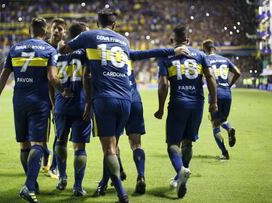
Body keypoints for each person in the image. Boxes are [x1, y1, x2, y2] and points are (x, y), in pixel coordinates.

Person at [0, 17, 71, 203]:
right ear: (45, 31)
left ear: (30, 31)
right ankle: (28, 185)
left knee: (24, 144)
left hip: (18, 101)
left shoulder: (15, 48)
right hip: (39, 102)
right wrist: (64, 90)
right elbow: (52, 77)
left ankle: (31, 182)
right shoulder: (49, 49)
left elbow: (4, 75)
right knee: (38, 144)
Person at [93, 47, 190, 196]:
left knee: (111, 146)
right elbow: (150, 52)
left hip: (115, 99)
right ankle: (141, 176)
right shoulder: (127, 55)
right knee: (136, 144)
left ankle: (104, 183)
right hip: (134, 100)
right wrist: (172, 51)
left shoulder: (101, 58)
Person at [59, 8, 132, 203]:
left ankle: (121, 194)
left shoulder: (89, 36)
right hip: (126, 99)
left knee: (108, 149)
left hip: (104, 99)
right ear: (114, 25)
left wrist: (59, 45)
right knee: (114, 147)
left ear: (97, 23)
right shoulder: (125, 41)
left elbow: (65, 50)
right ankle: (104, 182)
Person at [154, 25, 218, 198]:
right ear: (188, 41)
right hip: (197, 104)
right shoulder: (201, 55)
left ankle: (181, 170)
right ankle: (182, 174)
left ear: (171, 41)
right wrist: (214, 101)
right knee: (188, 141)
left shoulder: (166, 57)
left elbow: (164, 84)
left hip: (178, 103)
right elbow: (211, 78)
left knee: (173, 144)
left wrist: (160, 108)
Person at [53, 21, 90, 196]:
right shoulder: (85, 53)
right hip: (81, 105)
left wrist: (54, 104)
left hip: (61, 104)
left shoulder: (57, 53)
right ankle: (77, 186)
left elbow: (50, 79)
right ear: (82, 36)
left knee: (60, 141)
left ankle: (62, 178)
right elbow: (87, 76)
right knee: (80, 147)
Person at [202, 39, 241, 160]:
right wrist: (229, 85)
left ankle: (224, 153)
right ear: (214, 48)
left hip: (215, 94)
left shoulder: (205, 60)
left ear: (205, 50)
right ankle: (229, 128)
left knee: (215, 125)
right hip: (227, 93)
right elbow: (238, 73)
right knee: (223, 120)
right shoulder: (225, 60)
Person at [43, 18, 68, 178]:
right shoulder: (43, 47)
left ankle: (53, 166)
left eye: (60, 29)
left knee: (59, 133)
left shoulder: (65, 49)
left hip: (57, 96)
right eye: (55, 28)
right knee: (39, 134)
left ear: (64, 31)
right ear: (50, 30)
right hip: (41, 96)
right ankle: (46, 154)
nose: (57, 31)